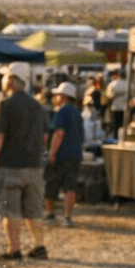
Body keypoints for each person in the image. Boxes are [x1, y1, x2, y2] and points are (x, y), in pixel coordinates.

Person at [0, 61, 47, 260]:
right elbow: (45, 137)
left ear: (11, 80)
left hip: (10, 167)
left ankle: (15, 249)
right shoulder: (37, 105)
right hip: (35, 167)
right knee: (33, 210)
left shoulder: (5, 104)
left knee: (11, 211)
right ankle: (39, 246)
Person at [44, 81, 84, 226]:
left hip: (62, 154)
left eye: (58, 94)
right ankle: (67, 217)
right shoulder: (77, 112)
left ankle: (49, 214)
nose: (55, 97)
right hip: (75, 154)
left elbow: (59, 133)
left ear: (64, 96)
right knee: (70, 186)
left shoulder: (61, 111)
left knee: (51, 185)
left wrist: (52, 153)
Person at [104, 68, 128, 139]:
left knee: (115, 125)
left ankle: (115, 137)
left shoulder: (112, 84)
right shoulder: (128, 84)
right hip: (124, 107)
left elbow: (108, 95)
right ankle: (123, 138)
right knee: (123, 124)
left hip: (115, 107)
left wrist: (115, 94)